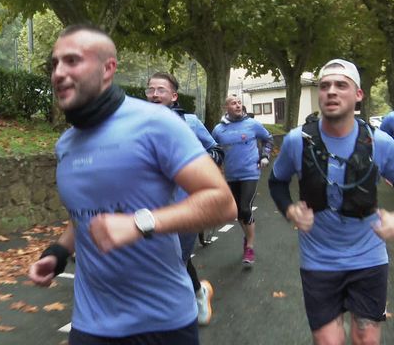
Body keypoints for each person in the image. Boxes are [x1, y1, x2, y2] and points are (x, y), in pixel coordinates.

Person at [28, 25, 236, 345]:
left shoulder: (155, 123)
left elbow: (222, 202)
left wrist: (140, 224)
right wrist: (57, 253)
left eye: (72, 61)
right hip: (90, 323)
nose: (58, 72)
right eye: (54, 64)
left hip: (161, 323)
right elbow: (86, 214)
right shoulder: (66, 144)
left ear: (108, 68)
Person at [268, 59, 394, 344]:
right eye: (325, 86)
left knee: (367, 338)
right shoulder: (296, 141)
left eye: (341, 85)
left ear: (358, 95)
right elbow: (277, 183)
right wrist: (290, 210)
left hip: (368, 258)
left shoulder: (380, 143)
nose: (331, 92)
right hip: (319, 260)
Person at [145, 71, 223, 326]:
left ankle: (187, 304)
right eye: (150, 89)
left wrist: (197, 165)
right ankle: (197, 291)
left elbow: (216, 150)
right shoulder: (138, 123)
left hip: (188, 206)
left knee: (177, 260)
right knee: (160, 260)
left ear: (174, 95)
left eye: (161, 90)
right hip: (150, 208)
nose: (155, 94)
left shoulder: (189, 122)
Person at [212, 94, 273, 265]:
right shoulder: (218, 130)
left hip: (250, 173)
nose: (238, 105)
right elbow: (213, 148)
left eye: (239, 102)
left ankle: (250, 246)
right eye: (233, 103)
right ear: (226, 108)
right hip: (231, 175)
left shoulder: (252, 124)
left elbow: (268, 139)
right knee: (238, 212)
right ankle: (248, 237)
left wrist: (265, 156)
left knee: (245, 208)